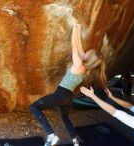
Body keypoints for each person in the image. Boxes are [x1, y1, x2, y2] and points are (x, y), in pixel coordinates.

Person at [29, 18, 107, 146]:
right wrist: (77, 28)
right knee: (65, 117)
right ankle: (75, 141)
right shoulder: (85, 66)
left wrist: (74, 28)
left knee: (34, 107)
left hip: (60, 94)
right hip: (68, 97)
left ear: (89, 57)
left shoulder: (78, 64)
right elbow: (79, 45)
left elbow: (74, 46)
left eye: (89, 52)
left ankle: (51, 135)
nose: (87, 51)